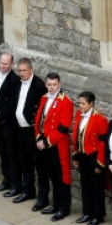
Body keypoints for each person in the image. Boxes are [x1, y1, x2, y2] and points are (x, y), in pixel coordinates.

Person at [34, 72, 74, 216]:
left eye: (54, 85)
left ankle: (63, 207)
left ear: (59, 84)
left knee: (61, 176)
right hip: (43, 143)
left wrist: (46, 142)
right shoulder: (44, 98)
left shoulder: (66, 101)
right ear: (46, 84)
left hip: (57, 145)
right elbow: (39, 119)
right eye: (49, 85)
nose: (52, 88)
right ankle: (56, 205)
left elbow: (63, 128)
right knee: (50, 174)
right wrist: (38, 137)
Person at [9, 58, 46, 204]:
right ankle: (28, 191)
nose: (21, 73)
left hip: (33, 131)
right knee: (24, 162)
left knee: (39, 165)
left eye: (24, 70)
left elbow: (42, 111)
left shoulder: (39, 86)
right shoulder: (17, 82)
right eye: (19, 70)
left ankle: (42, 198)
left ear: (31, 70)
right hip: (20, 129)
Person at [71, 91, 109, 225]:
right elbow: (76, 135)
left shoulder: (100, 119)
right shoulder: (78, 115)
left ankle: (98, 215)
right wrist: (75, 154)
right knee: (85, 185)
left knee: (96, 188)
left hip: (94, 157)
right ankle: (87, 212)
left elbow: (103, 143)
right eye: (79, 103)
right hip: (82, 156)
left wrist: (100, 164)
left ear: (91, 103)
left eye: (83, 103)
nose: (80, 106)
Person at [0, 52, 20, 194]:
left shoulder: (14, 80)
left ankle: (15, 184)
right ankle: (6, 180)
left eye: (6, 63)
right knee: (2, 152)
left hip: (7, 123)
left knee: (11, 154)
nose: (3, 66)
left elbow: (11, 104)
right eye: (2, 63)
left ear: (12, 64)